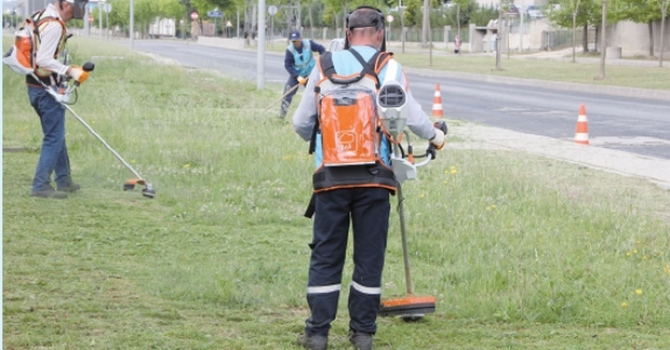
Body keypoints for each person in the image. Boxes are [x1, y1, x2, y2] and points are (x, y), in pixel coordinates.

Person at [292, 6, 446, 350]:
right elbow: (409, 114)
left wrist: (326, 145)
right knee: (369, 256)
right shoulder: (388, 67)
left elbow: (301, 124)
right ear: (379, 34)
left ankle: (317, 333)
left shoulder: (324, 66)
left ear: (348, 34)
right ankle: (362, 334)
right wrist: (436, 136)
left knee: (326, 255)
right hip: (375, 178)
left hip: (330, 179)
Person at [27, 0, 90, 199]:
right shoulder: (54, 25)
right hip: (46, 90)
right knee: (53, 137)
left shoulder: (39, 16)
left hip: (34, 87)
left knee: (56, 134)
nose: (76, 12)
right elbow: (43, 60)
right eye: (76, 7)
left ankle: (64, 179)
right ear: (65, 4)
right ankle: (40, 185)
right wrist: (69, 70)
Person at [279, 30, 325, 118]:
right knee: (288, 92)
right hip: (297, 74)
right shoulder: (290, 50)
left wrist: (322, 59)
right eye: (293, 41)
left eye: (297, 40)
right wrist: (297, 76)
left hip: (310, 73)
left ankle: (319, 116)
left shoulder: (308, 43)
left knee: (315, 94)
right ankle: (282, 115)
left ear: (300, 38)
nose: (295, 42)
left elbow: (321, 49)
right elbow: (287, 65)